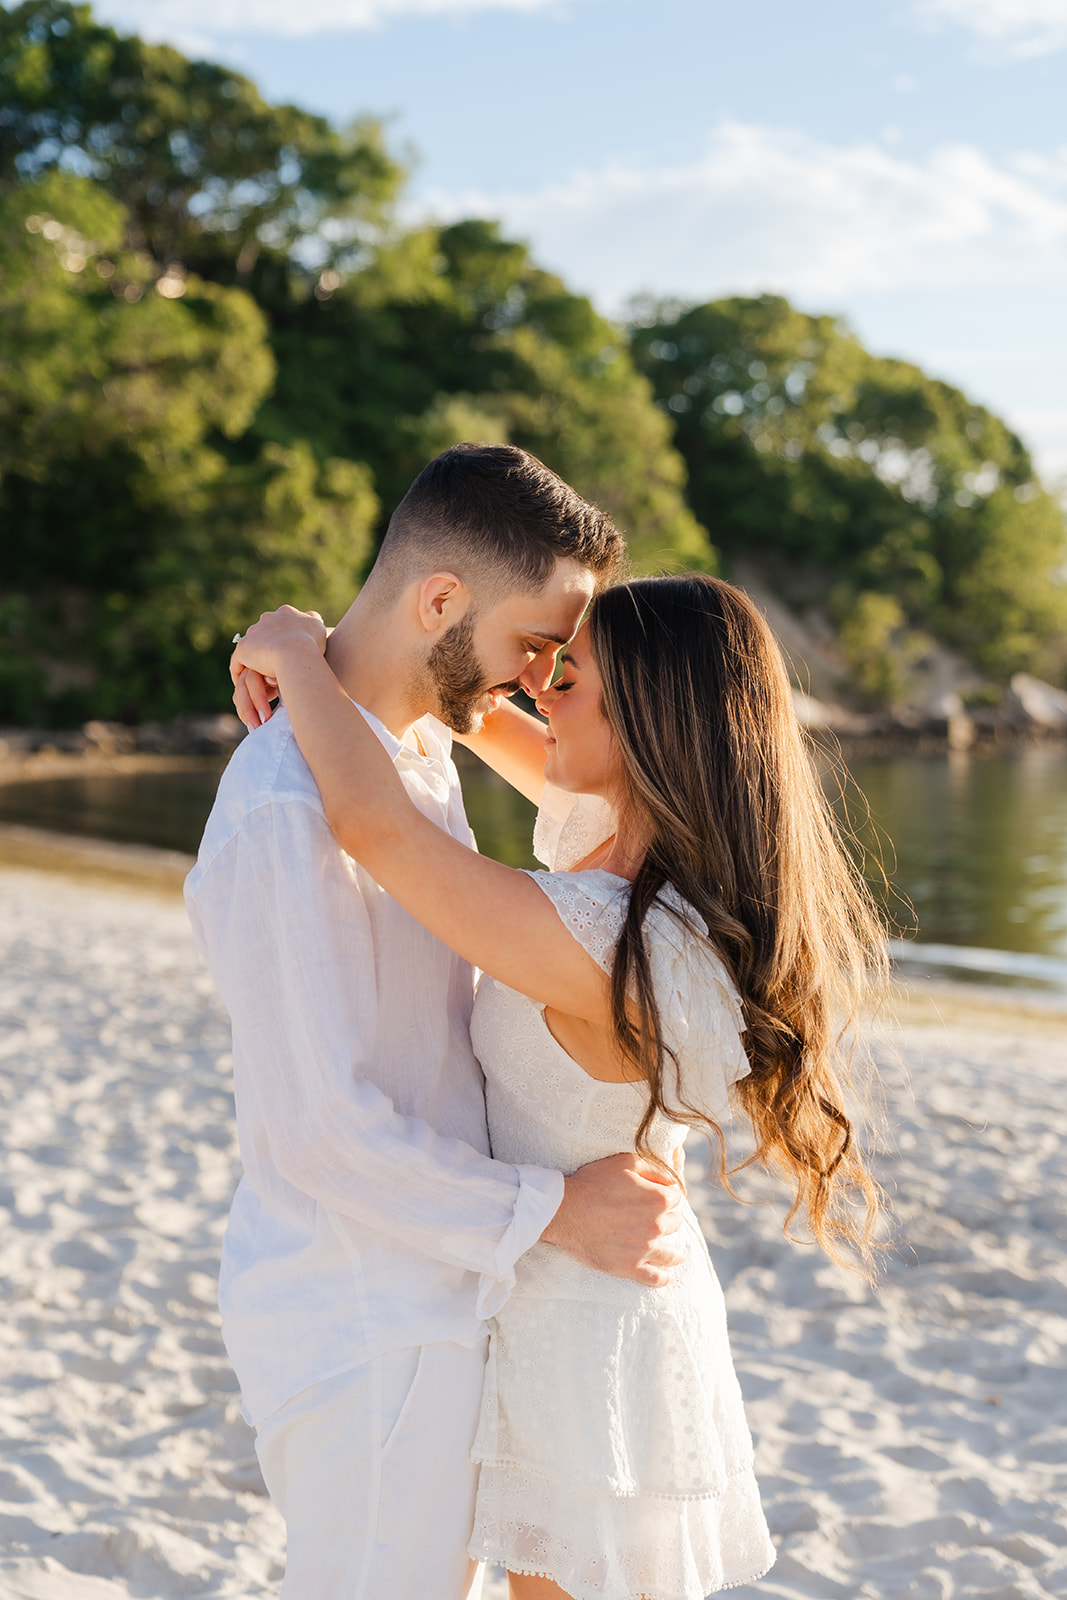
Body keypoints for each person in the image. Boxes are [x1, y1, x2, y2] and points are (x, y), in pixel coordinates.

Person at [230, 571, 888, 1600]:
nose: (539, 691)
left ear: (643, 727)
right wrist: (410, 664)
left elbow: (377, 828)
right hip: (572, 1303)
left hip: (588, 1343)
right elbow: (496, 721)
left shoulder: (608, 935)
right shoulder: (638, 863)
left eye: (568, 678)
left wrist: (296, 656)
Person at [185, 445, 691, 1600]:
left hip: (447, 1293)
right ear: (441, 601)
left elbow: (570, 803)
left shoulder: (410, 761)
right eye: (533, 645)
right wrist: (557, 1209)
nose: (534, 680)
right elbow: (320, 1128)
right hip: (364, 1317)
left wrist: (299, 655)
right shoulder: (283, 804)